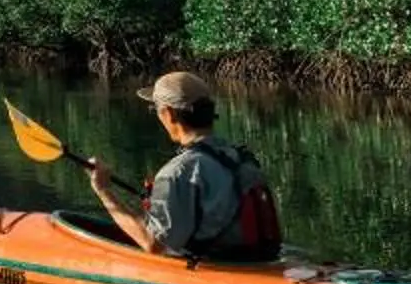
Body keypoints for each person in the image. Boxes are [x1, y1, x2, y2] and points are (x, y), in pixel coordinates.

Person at [85, 71, 281, 261]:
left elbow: (154, 245)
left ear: (168, 114)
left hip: (219, 270)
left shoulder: (177, 172)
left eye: (155, 110)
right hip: (260, 261)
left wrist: (104, 191)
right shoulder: (239, 156)